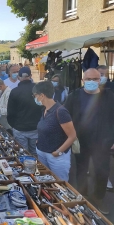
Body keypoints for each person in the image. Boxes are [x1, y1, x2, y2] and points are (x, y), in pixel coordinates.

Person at [64, 68, 114, 214]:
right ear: (83, 81)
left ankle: (99, 199)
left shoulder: (109, 97)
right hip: (81, 141)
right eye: (88, 79)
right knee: (81, 170)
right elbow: (65, 117)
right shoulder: (74, 96)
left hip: (103, 142)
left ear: (100, 81)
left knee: (102, 172)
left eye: (95, 79)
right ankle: (83, 198)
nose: (92, 82)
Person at [32, 81, 76, 181]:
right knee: (46, 181)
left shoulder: (60, 111)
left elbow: (72, 136)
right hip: (42, 152)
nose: (34, 98)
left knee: (60, 183)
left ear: (42, 95)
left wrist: (58, 152)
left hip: (56, 157)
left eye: (35, 95)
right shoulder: (44, 110)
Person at [7, 67, 42, 155]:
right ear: (30, 76)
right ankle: (36, 168)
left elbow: (10, 112)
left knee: (23, 154)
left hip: (20, 129)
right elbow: (44, 108)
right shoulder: (39, 90)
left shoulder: (15, 91)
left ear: (18, 77)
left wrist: (14, 125)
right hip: (36, 128)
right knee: (35, 153)